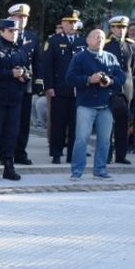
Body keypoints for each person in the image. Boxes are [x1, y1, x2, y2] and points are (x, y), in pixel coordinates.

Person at [67, 27, 126, 180]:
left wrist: (111, 81)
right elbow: (70, 78)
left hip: (106, 105)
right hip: (86, 104)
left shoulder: (110, 57)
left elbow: (121, 78)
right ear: (88, 40)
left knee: (105, 140)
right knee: (81, 139)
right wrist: (88, 80)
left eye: (101, 37)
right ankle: (77, 171)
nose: (99, 40)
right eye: (95, 37)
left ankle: (100, 169)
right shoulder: (79, 57)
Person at [0, 19, 31, 182]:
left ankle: (9, 167)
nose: (14, 34)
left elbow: (28, 71)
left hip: (15, 99)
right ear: (1, 31)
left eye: (16, 31)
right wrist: (10, 74)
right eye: (10, 31)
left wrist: (24, 76)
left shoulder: (20, 50)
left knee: (11, 135)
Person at [43, 12, 81, 163]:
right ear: (63, 24)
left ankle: (72, 154)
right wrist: (49, 86)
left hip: (78, 90)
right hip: (59, 89)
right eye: (69, 22)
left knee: (75, 124)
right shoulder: (54, 41)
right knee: (58, 123)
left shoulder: (82, 41)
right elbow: (48, 66)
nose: (72, 25)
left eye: (74, 22)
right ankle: (56, 153)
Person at [6, 4, 41, 165]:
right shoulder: (5, 34)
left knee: (24, 120)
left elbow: (37, 62)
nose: (22, 20)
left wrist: (39, 82)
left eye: (25, 17)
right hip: (9, 82)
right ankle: (7, 151)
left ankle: (20, 152)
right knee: (8, 119)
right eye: (19, 16)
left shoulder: (32, 37)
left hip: (26, 83)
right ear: (11, 17)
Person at [104, 16, 135, 165]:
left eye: (123, 27)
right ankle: (106, 154)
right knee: (107, 123)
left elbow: (131, 66)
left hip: (126, 86)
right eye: (118, 27)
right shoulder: (106, 45)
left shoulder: (130, 45)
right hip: (111, 85)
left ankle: (121, 154)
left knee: (123, 122)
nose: (121, 30)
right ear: (112, 29)